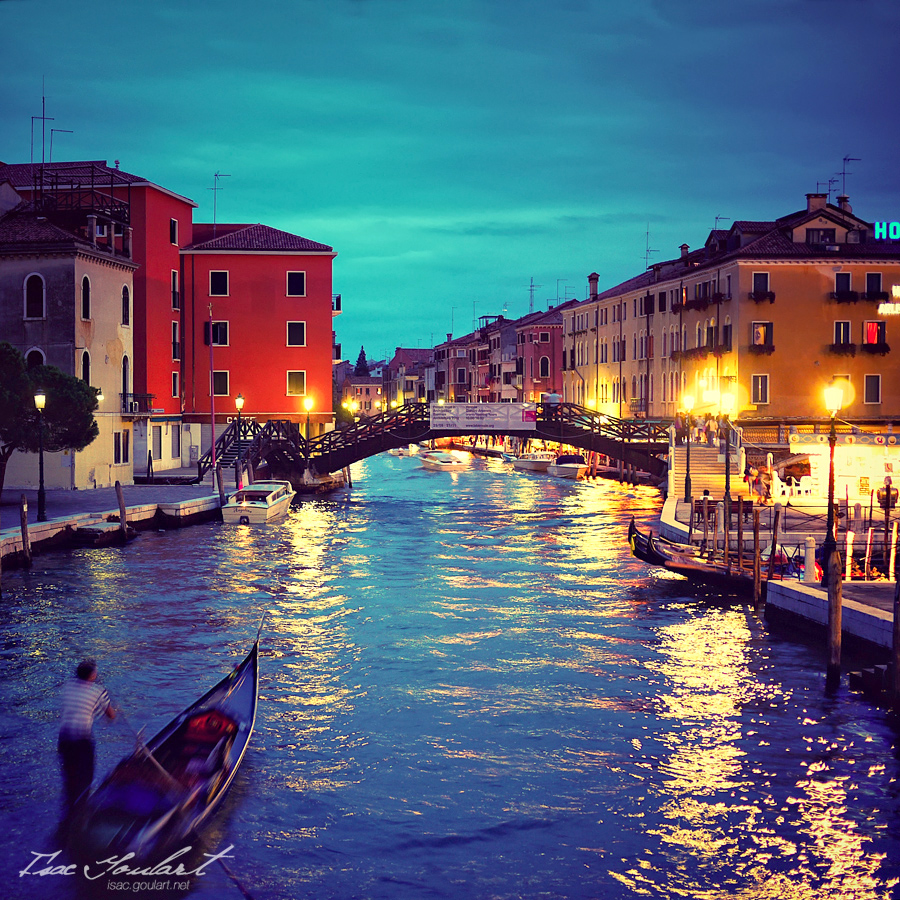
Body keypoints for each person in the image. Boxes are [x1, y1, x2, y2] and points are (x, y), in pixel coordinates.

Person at [58, 658, 116, 815]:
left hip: (64, 739)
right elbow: (111, 715)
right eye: (95, 672)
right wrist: (113, 707)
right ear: (92, 676)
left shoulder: (68, 686)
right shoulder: (98, 691)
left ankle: (69, 809)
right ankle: (81, 812)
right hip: (82, 740)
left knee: (70, 777)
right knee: (85, 778)